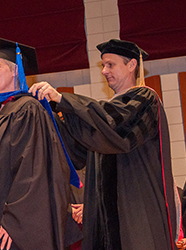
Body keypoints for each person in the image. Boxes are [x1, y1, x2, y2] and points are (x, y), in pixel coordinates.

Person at [29, 39, 183, 249]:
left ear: (131, 65)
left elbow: (114, 126)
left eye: (110, 64)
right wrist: (48, 112)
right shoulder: (104, 116)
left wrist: (63, 99)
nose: (104, 71)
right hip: (104, 218)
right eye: (103, 65)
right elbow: (78, 150)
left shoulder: (145, 98)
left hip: (136, 211)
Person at [0, 36, 79, 250]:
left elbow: (33, 171)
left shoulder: (28, 110)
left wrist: (14, 221)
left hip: (11, 226)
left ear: (15, 71)